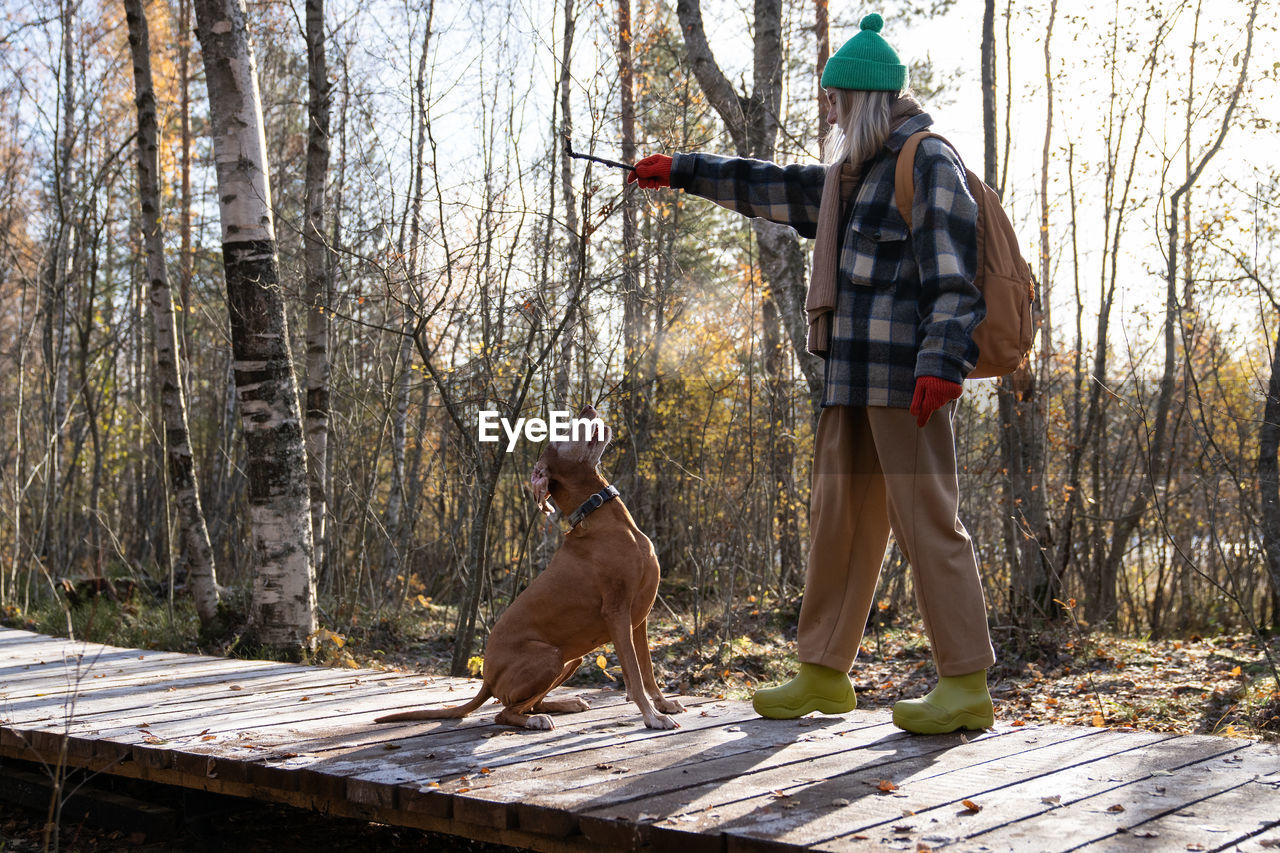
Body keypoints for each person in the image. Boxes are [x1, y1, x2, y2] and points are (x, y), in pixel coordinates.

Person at [627, 12, 995, 734]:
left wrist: (943, 363)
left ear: (861, 100)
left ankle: (966, 682)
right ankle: (824, 671)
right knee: (840, 527)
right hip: (849, 384)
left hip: (910, 383)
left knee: (929, 526)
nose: (826, 111)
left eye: (833, 100)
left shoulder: (928, 162)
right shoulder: (845, 182)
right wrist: (682, 171)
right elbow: (768, 186)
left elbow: (956, 281)